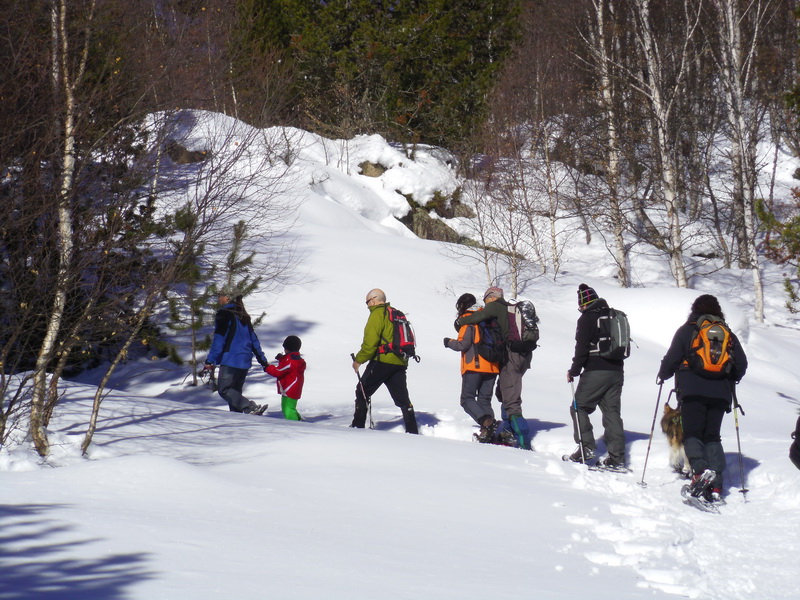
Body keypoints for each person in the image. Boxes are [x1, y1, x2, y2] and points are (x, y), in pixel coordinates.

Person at [658, 294, 748, 502]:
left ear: (695, 309)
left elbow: (672, 358)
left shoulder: (688, 330)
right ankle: (716, 484)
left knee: (693, 434)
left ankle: (699, 473)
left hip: (692, 390)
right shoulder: (727, 334)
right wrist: (729, 378)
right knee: (712, 436)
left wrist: (663, 374)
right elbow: (741, 364)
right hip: (720, 393)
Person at [456, 286, 533, 449]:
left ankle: (522, 442)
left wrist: (460, 321)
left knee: (509, 400)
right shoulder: (508, 310)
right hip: (512, 359)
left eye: (485, 299)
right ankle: (503, 430)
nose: (484, 303)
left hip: (509, 357)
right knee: (500, 394)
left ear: (491, 297)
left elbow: (465, 339)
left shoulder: (495, 306)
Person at [566, 283, 626, 469]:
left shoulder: (587, 318)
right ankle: (617, 458)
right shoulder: (613, 315)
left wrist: (574, 371)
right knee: (612, 412)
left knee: (579, 407)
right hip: (616, 371)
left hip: (595, 370)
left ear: (584, 304)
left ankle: (586, 448)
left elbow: (582, 348)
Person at [350, 289, 419, 433]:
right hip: (400, 361)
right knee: (403, 399)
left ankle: (357, 428)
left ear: (374, 300)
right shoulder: (395, 313)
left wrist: (358, 360)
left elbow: (370, 342)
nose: (368, 305)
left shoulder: (377, 314)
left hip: (382, 361)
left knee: (362, 391)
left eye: (368, 302)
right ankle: (412, 430)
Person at [444, 293, 500, 442]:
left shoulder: (467, 320)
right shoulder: (487, 316)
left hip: (474, 365)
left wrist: (448, 342)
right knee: (485, 400)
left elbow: (463, 344)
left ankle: (485, 422)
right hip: (493, 366)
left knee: (467, 399)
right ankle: (488, 432)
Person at [203, 289, 268, 414]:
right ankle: (240, 419)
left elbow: (219, 339)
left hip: (231, 360)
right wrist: (263, 361)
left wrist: (210, 360)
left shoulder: (224, 313)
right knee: (235, 396)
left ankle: (250, 407)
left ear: (227, 297)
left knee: (224, 390)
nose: (218, 298)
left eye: (220, 295)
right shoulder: (243, 314)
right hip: (244, 361)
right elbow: (254, 340)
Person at [265, 335, 306, 421]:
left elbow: (278, 372)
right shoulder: (295, 359)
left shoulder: (290, 361)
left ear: (287, 348)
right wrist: (282, 358)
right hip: (293, 388)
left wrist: (267, 367)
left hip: (290, 389)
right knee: (290, 407)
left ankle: (293, 425)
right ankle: (299, 421)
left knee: (288, 409)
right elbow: (287, 367)